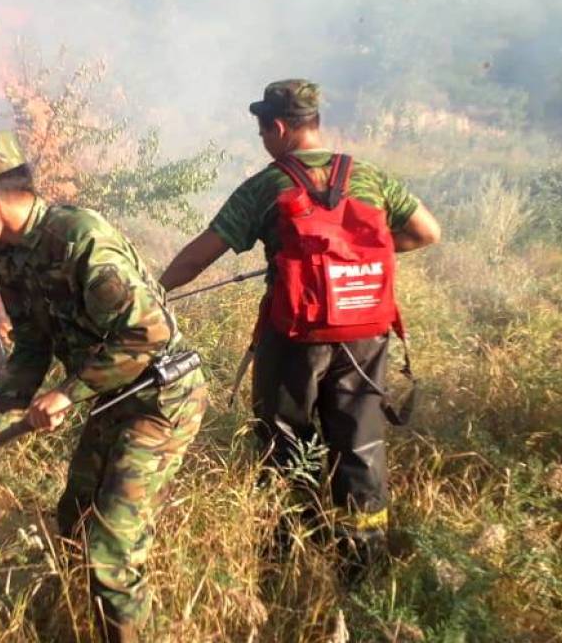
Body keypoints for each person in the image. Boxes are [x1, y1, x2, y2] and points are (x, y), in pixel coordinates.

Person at [159, 80, 440, 575]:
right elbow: (426, 232)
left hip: (294, 336)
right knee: (360, 443)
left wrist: (156, 293)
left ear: (282, 128)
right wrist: (350, 260)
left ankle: (288, 558)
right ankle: (363, 565)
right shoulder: (370, 177)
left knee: (284, 439)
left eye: (263, 130)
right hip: (365, 333)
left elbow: (203, 252)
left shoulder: (269, 185)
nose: (263, 140)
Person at [0, 131, 207, 642]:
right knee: (76, 518)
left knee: (109, 547)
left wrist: (70, 391)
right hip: (114, 398)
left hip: (162, 398)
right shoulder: (11, 257)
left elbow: (149, 334)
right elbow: (32, 350)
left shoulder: (79, 236)